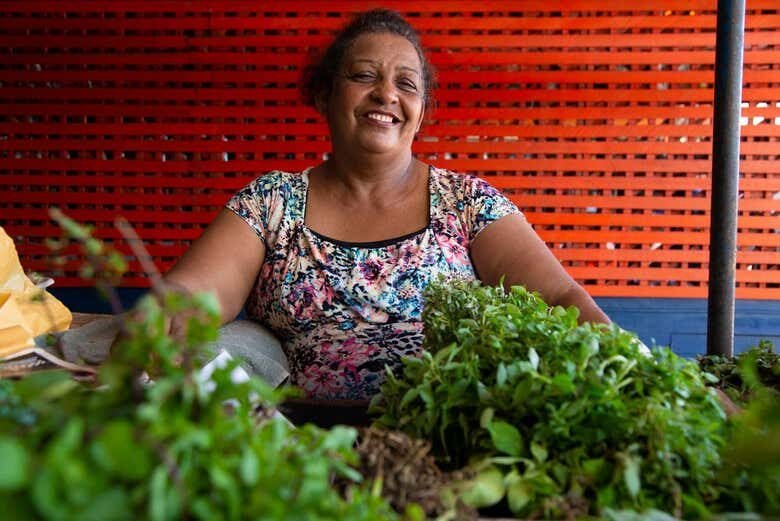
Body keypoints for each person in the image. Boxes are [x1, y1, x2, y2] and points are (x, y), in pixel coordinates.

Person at [163, 9, 610, 401]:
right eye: (363, 76)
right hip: (295, 448)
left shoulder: (468, 203)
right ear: (325, 94)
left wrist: (622, 360)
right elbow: (196, 292)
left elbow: (556, 297)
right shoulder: (272, 203)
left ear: (421, 109)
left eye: (406, 84)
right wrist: (166, 316)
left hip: (445, 441)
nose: (386, 94)